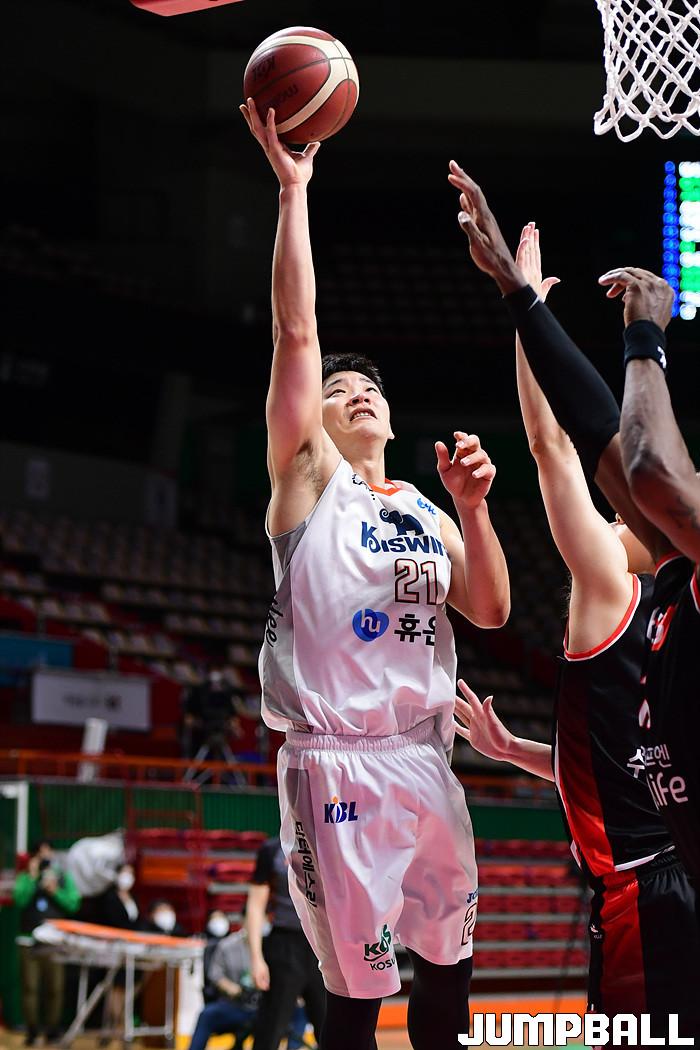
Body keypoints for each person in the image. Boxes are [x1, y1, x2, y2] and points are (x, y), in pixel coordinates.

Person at [240, 98, 510, 1050]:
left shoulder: (425, 509)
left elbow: (490, 609)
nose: (356, 391)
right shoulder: (309, 484)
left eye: (370, 387)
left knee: (450, 973)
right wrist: (294, 191)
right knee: (356, 1000)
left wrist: (473, 509)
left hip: (426, 759)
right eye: (337, 389)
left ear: (390, 415)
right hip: (336, 763)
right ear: (310, 419)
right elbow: (297, 332)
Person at [449, 216, 700, 1033]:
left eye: (624, 511)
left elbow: (554, 446)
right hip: (664, 873)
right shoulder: (670, 599)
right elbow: (627, 760)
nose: (617, 509)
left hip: (646, 892)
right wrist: (521, 752)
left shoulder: (610, 590)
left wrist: (525, 309)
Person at [603, 264, 700, 885]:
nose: (616, 517)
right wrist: (521, 303)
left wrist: (645, 339)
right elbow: (585, 439)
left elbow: (644, 472)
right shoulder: (666, 584)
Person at [247, 837, 325, 1050]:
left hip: (322, 945)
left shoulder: (328, 842)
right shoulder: (272, 850)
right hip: (284, 945)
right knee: (270, 1029)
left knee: (330, 1028)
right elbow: (255, 906)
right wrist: (256, 958)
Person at [14, 840, 81, 1046]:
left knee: (55, 988)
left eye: (48, 852)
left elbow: (73, 904)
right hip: (29, 941)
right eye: (40, 854)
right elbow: (19, 900)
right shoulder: (26, 877)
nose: (45, 857)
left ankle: (52, 1031)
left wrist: (55, 891)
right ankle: (32, 1031)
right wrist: (32, 878)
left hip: (54, 941)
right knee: (30, 988)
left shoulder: (61, 877)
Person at [188, 927, 260, 1050]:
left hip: (262, 1007)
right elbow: (215, 975)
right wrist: (230, 987)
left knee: (293, 1013)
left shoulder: (273, 944)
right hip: (234, 1004)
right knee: (207, 1015)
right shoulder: (227, 945)